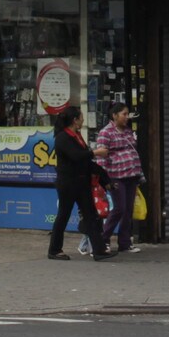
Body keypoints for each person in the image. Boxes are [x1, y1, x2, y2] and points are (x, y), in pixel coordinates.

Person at [47, 103, 112, 262]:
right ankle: (54, 250)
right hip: (68, 183)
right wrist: (96, 152)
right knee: (63, 215)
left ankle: (99, 249)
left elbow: (85, 161)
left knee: (91, 215)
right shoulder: (63, 137)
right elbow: (77, 156)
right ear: (75, 120)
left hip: (82, 181)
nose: (83, 120)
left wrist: (104, 177)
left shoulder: (76, 136)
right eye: (81, 117)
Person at [94, 101, 143, 254]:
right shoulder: (106, 132)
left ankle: (124, 243)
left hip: (131, 175)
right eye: (124, 114)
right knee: (119, 208)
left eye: (127, 114)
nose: (127, 117)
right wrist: (104, 179)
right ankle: (103, 239)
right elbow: (101, 157)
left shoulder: (127, 131)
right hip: (115, 176)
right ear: (114, 115)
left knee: (128, 210)